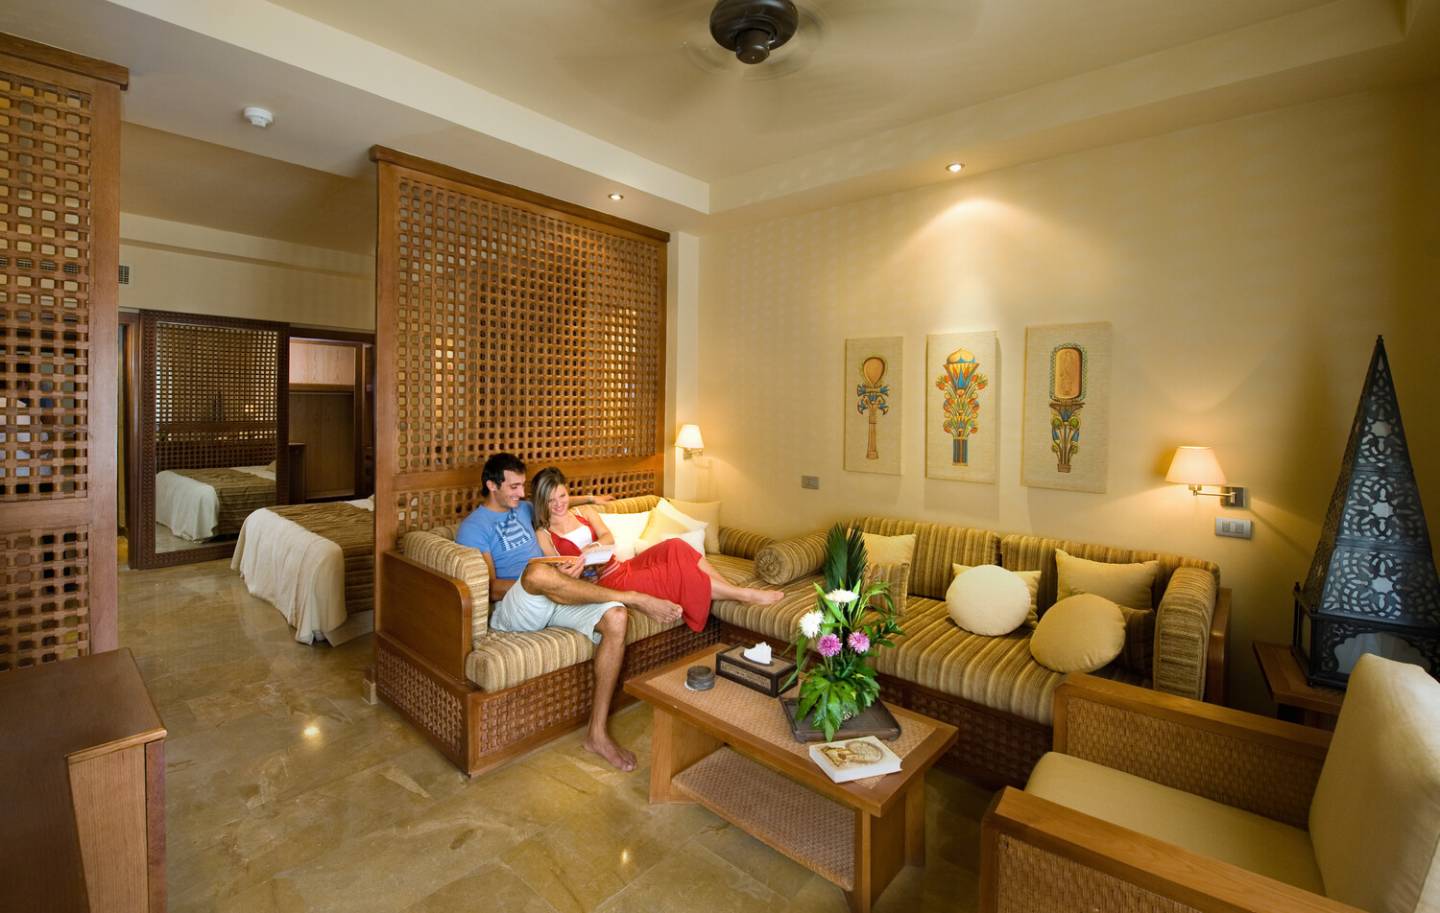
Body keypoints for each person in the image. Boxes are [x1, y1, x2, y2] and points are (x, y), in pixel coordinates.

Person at [454, 453, 684, 772]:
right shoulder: (473, 528)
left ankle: (597, 734)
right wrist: (545, 578)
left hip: (555, 596)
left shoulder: (522, 507)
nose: (521, 493)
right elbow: (491, 588)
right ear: (492, 485)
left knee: (617, 617)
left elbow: (557, 500)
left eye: (523, 486)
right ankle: (634, 597)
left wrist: (590, 499)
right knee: (537, 572)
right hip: (516, 607)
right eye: (514, 486)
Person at [530, 466, 783, 633]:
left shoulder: (584, 512)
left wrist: (592, 545)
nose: (559, 504)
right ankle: (743, 595)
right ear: (542, 502)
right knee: (675, 573)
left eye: (562, 496)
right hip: (605, 583)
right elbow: (557, 572)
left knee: (677, 546)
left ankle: (729, 591)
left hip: (620, 566)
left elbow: (607, 536)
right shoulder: (544, 534)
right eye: (551, 500)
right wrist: (572, 570)